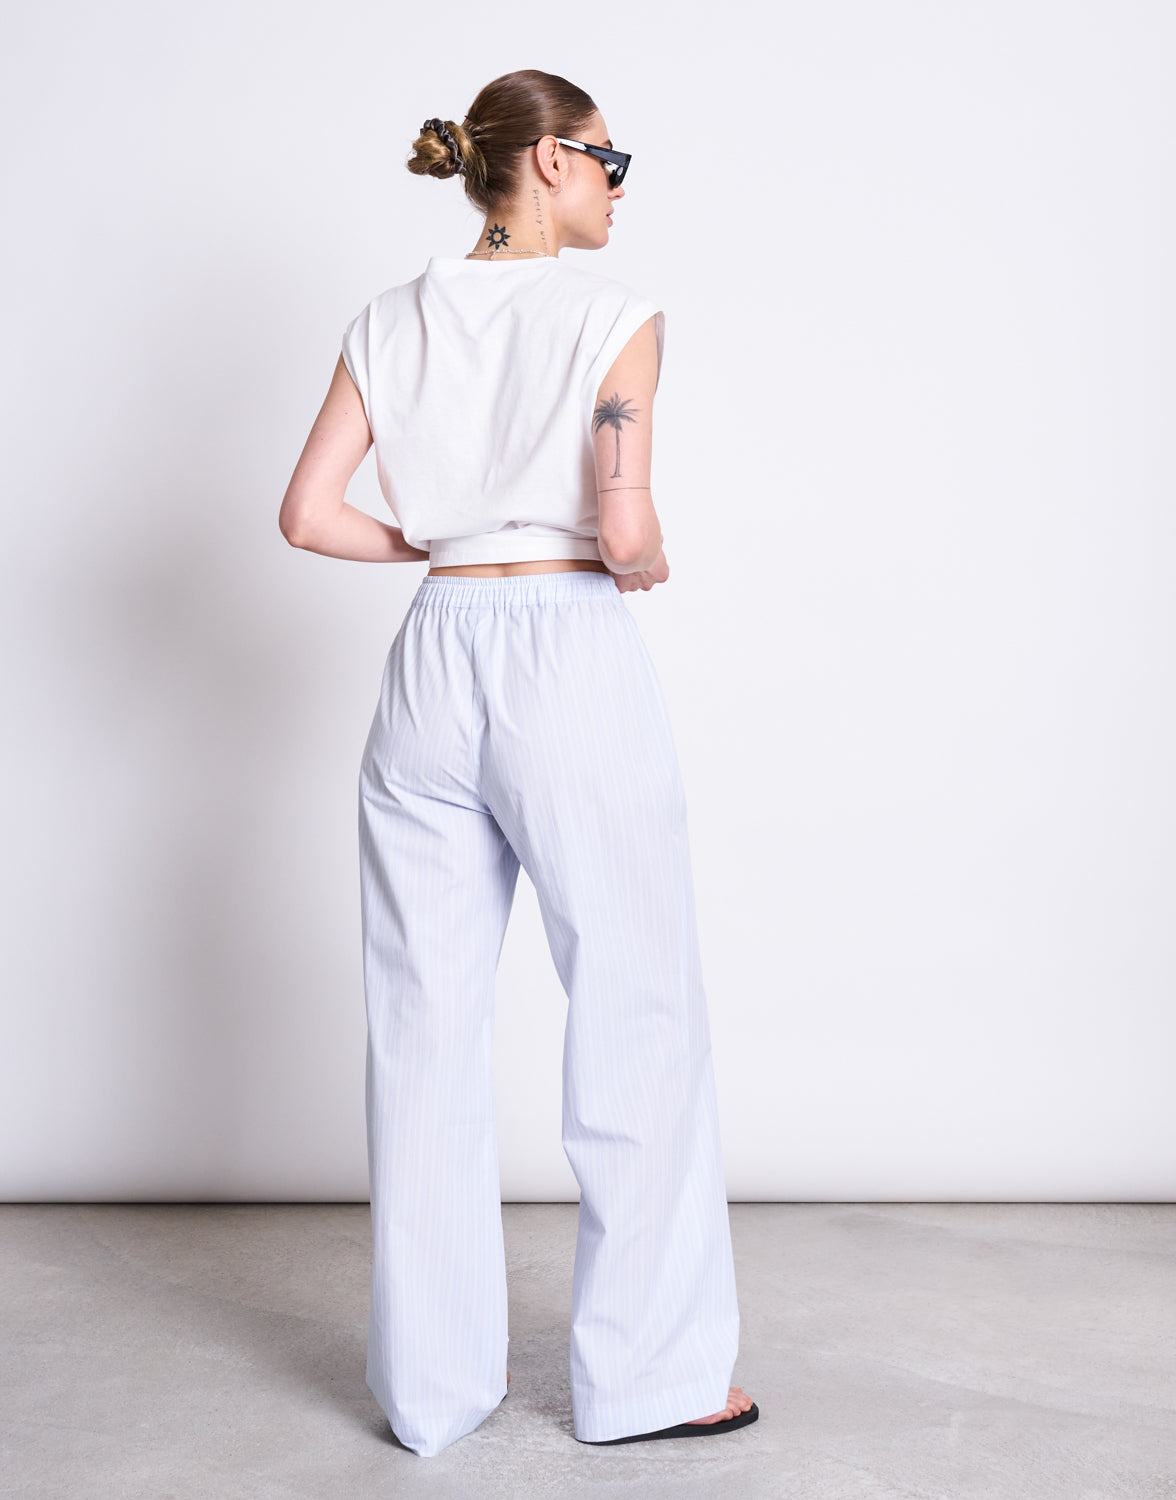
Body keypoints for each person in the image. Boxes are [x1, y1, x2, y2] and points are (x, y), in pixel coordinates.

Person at [278, 67, 758, 1459]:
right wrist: (647, 554)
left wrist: (441, 545)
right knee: (636, 1002)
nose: (619, 181)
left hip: (431, 658)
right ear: (548, 160)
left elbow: (309, 514)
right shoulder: (614, 317)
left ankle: (430, 1392)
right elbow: (624, 529)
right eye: (612, 157)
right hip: (564, 646)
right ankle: (653, 1379)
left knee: (420, 1020)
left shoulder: (387, 319)